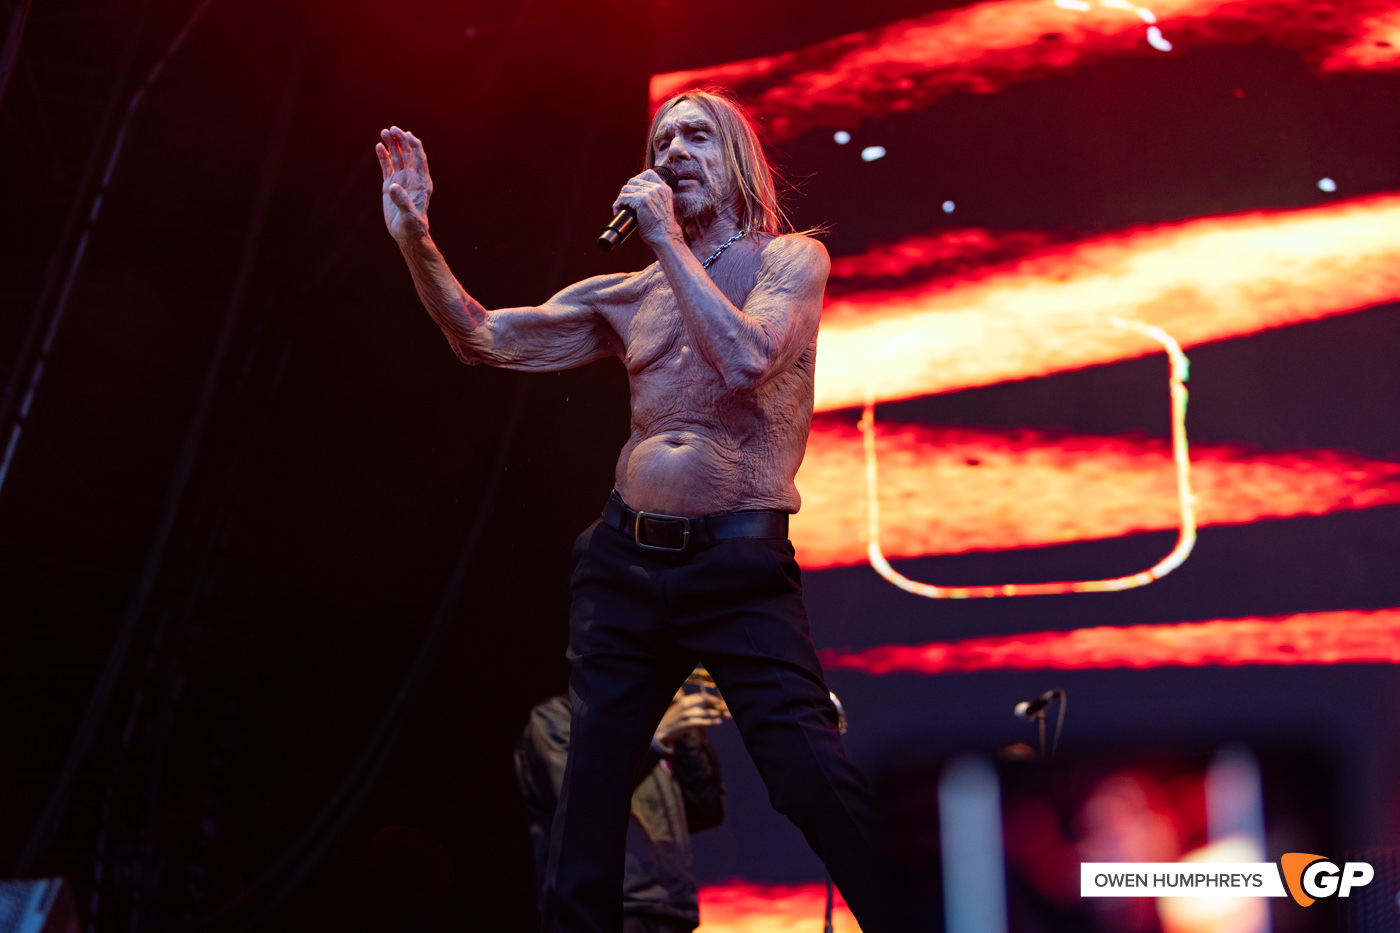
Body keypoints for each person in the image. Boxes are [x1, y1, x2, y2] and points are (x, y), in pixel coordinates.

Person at [377, 88, 891, 933]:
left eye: (696, 136)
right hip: (623, 565)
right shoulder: (627, 293)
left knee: (807, 775)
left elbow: (747, 358)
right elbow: (483, 336)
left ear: (738, 162)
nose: (674, 151)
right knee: (588, 801)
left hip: (737, 566)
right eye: (662, 139)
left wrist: (661, 238)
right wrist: (415, 237)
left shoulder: (790, 261)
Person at [516, 686, 728, 933]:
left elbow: (708, 809)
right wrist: (656, 740)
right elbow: (577, 798)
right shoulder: (558, 715)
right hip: (598, 907)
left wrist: (688, 730)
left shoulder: (658, 720)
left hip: (671, 908)